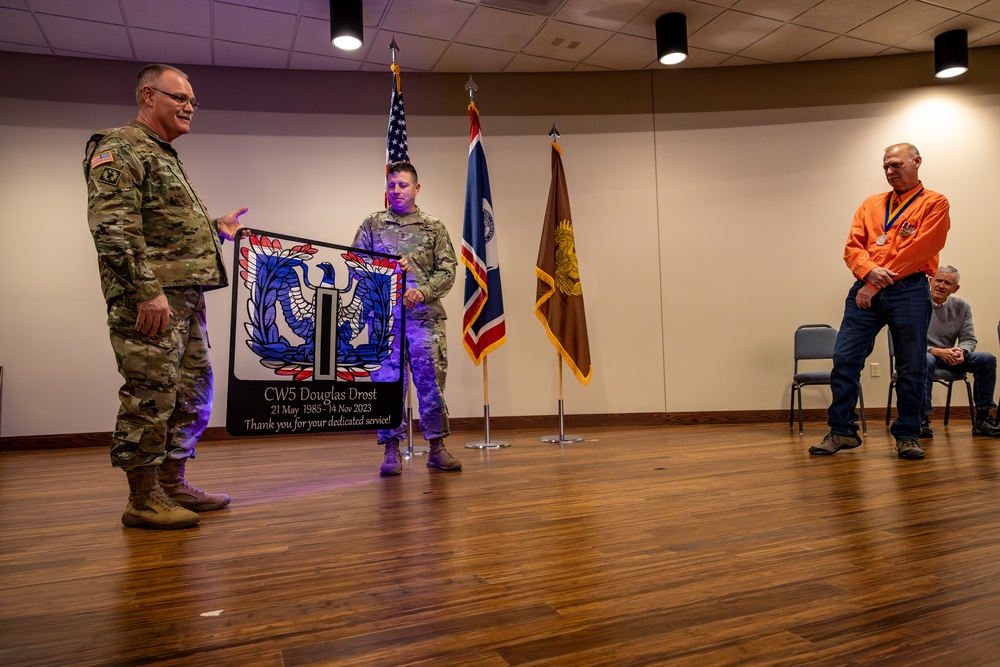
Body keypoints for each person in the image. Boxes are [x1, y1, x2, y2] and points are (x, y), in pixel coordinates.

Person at [84, 64, 248, 529]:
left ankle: (172, 482)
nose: (189, 106)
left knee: (194, 394)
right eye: (179, 98)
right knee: (150, 395)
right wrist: (145, 291)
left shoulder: (164, 154)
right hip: (151, 301)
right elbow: (113, 228)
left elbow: (160, 226)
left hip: (183, 300)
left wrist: (213, 227)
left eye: (193, 101)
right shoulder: (118, 147)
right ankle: (142, 498)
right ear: (148, 96)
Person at [810, 143, 950, 460]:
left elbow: (921, 249)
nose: (890, 171)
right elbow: (853, 248)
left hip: (909, 291)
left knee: (911, 367)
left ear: (917, 162)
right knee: (844, 360)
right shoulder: (871, 204)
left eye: (896, 164)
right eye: (885, 166)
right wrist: (869, 273)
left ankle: (908, 434)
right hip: (864, 287)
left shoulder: (935, 203)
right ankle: (842, 431)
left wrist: (873, 285)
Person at [353, 161, 462, 475]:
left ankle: (437, 448)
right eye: (392, 185)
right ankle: (390, 450)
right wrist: (385, 274)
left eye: (403, 185)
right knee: (387, 386)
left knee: (431, 386)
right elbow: (355, 264)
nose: (397, 190)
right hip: (385, 322)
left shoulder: (433, 226)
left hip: (424, 319)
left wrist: (424, 291)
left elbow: (448, 270)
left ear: (417, 188)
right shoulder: (371, 224)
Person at [921, 266, 1000, 438]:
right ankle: (921, 419)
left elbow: (969, 339)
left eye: (947, 283)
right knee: (925, 360)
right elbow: (907, 341)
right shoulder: (916, 304)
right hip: (924, 355)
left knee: (986, 359)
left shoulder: (962, 306)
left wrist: (961, 351)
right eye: (939, 280)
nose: (941, 285)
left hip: (950, 357)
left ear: (955, 288)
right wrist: (937, 351)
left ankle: (983, 418)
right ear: (930, 281)